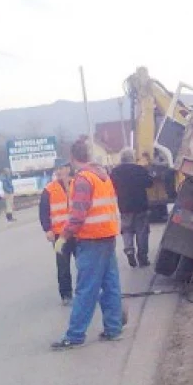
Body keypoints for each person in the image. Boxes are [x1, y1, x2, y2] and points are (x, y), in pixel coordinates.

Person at [51, 138, 124, 350]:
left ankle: (74, 336)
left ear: (73, 158)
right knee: (110, 285)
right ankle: (113, 329)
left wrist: (63, 237)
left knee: (86, 289)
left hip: (92, 239)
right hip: (108, 235)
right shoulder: (103, 176)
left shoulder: (83, 179)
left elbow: (78, 214)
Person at [110, 148, 154, 267]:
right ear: (132, 158)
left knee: (127, 230)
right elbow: (150, 183)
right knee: (142, 231)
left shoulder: (115, 172)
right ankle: (142, 257)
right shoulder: (139, 169)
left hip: (124, 207)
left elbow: (111, 186)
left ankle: (129, 251)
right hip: (140, 206)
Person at [39, 163, 74, 305]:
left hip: (77, 233)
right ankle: (66, 294)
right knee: (63, 265)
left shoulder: (77, 184)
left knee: (84, 264)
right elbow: (43, 212)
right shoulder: (49, 189)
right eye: (58, 169)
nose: (60, 171)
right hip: (59, 235)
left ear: (68, 169)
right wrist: (47, 229)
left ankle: (86, 292)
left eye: (63, 168)